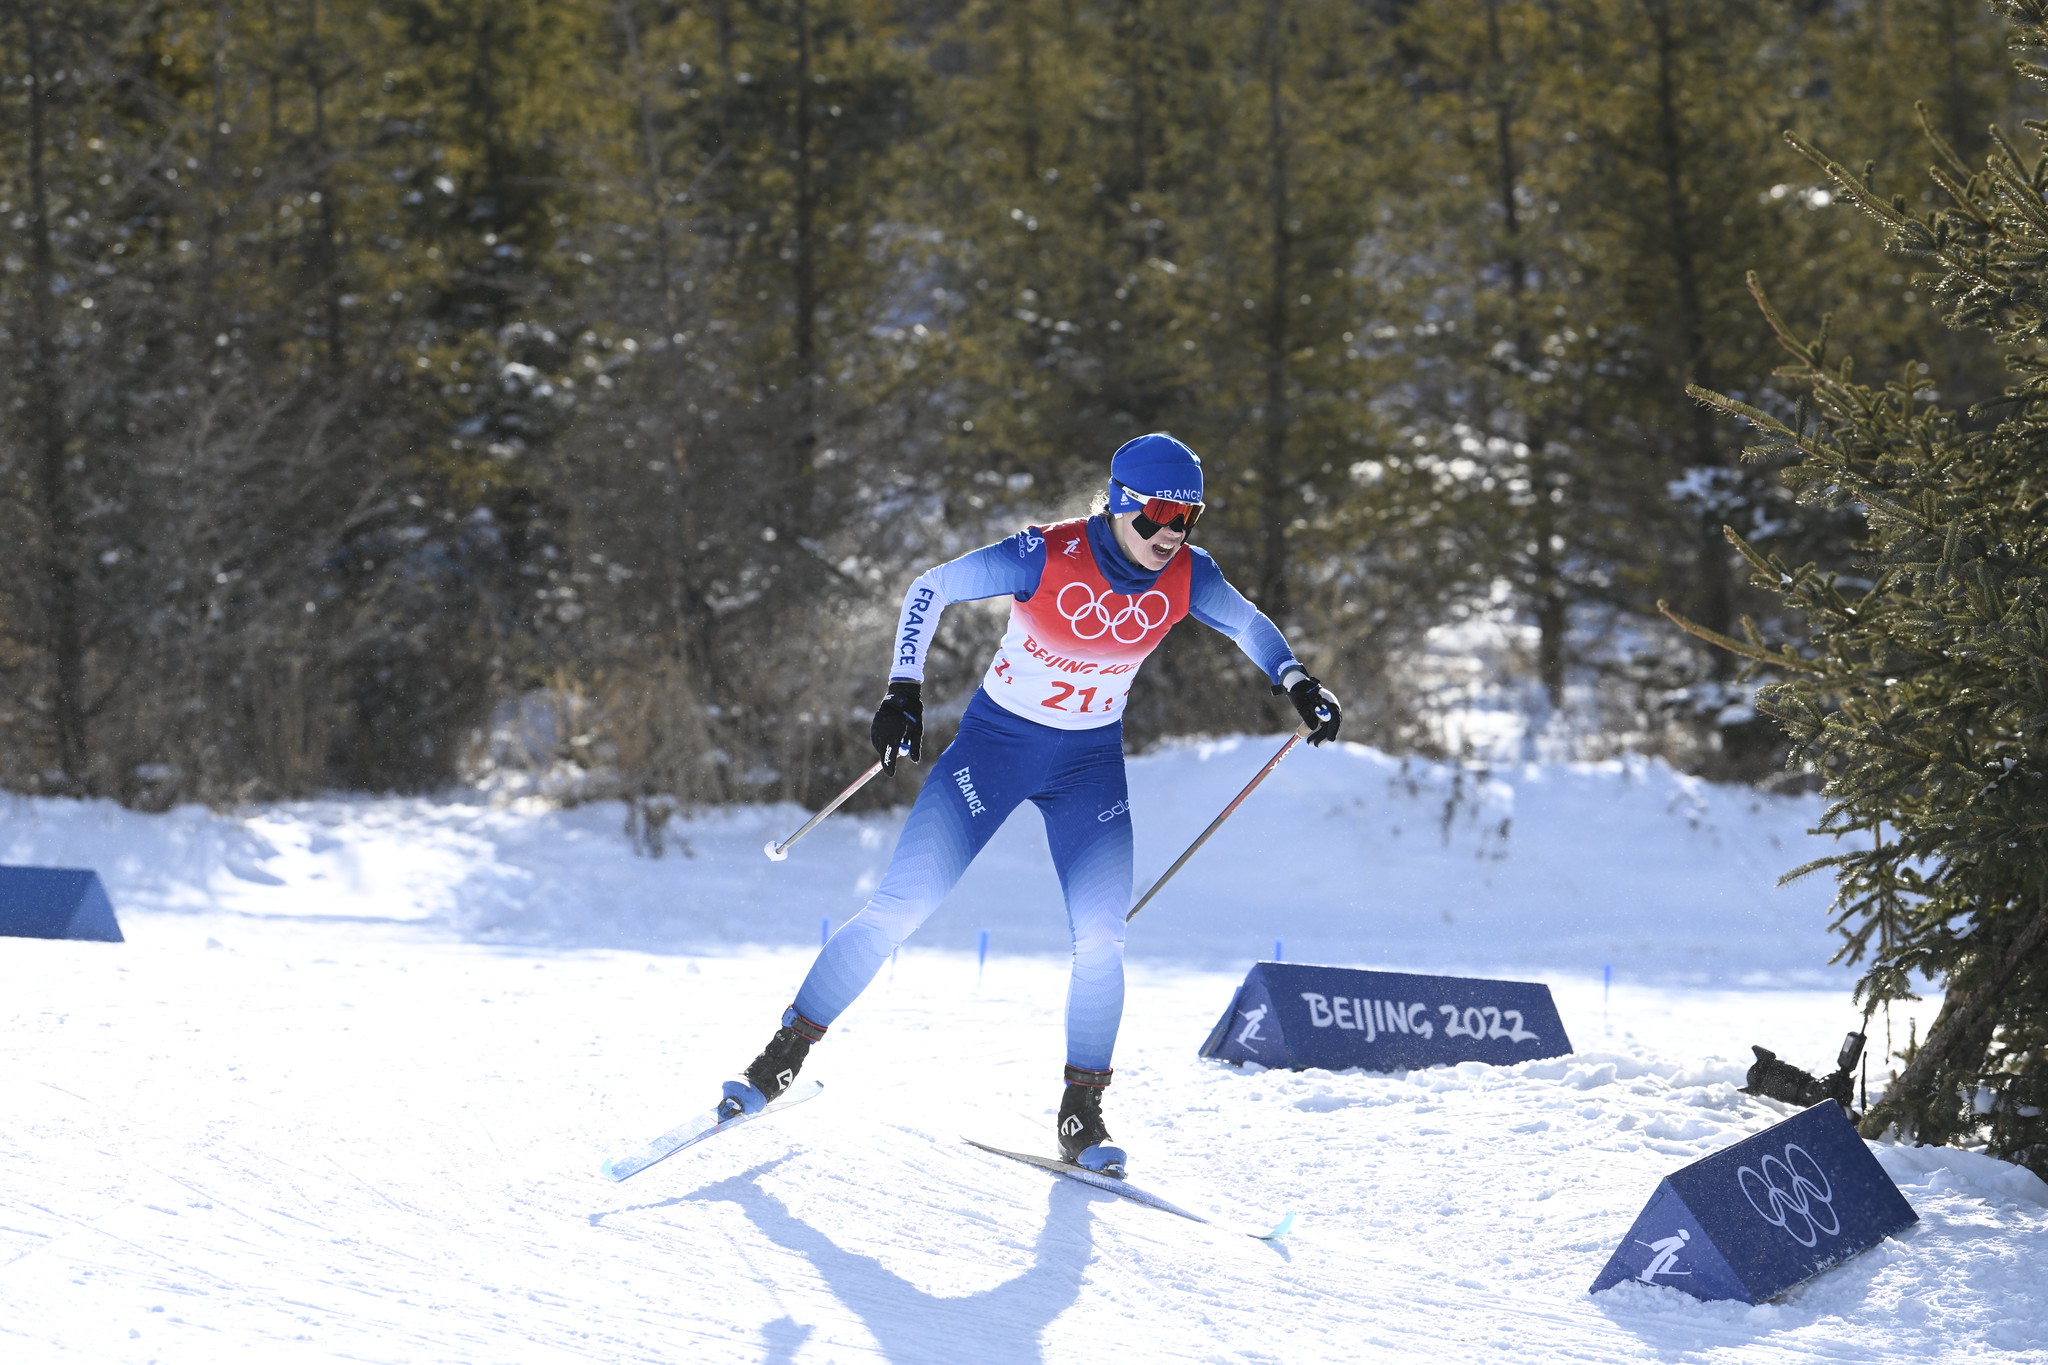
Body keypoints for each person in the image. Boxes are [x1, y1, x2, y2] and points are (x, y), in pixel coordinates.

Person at [716, 432, 1341, 1176]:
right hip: (995, 750)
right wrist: (902, 689)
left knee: (1103, 937)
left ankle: (1083, 1113)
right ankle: (782, 1055)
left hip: (1088, 767)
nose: (1173, 532)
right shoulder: (1045, 553)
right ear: (1121, 503)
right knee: (899, 908)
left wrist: (1297, 680)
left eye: (1190, 517)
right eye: (1161, 514)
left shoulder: (1187, 576)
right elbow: (929, 588)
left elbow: (1248, 623)